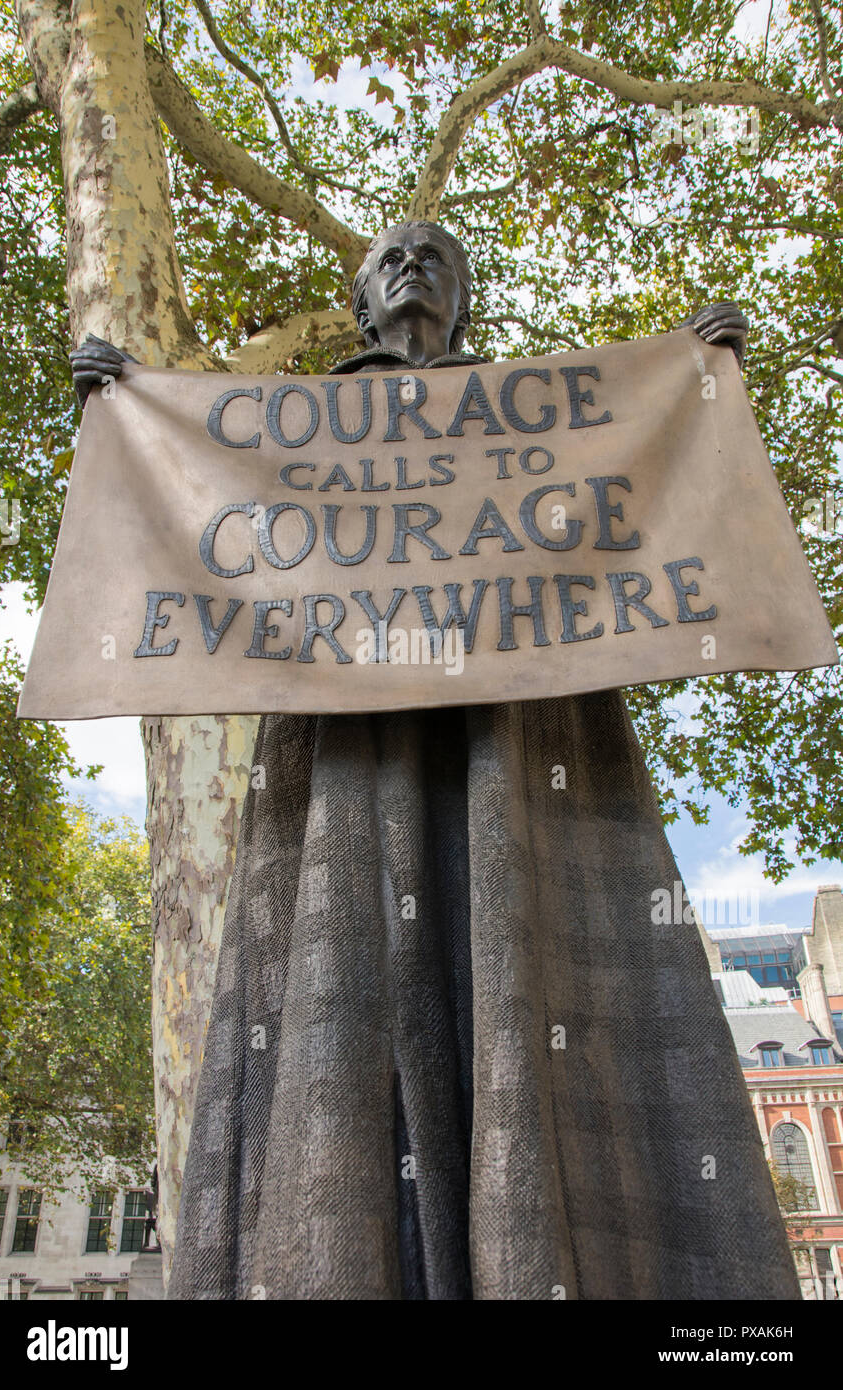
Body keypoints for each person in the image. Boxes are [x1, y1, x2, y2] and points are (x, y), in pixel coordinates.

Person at [71, 223, 796, 1300]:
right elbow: (193, 502)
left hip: (514, 741)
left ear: (465, 299)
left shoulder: (546, 414)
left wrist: (693, 380)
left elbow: (646, 504)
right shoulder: (292, 430)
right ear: (361, 304)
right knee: (341, 1009)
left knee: (522, 977)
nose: (414, 266)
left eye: (438, 258)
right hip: (346, 755)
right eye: (392, 258)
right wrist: (124, 401)